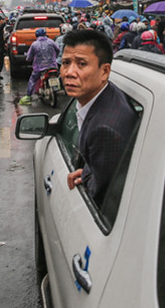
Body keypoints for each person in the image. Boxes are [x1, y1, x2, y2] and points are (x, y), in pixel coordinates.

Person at [63, 30, 138, 206]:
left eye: (81, 64)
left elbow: (101, 192)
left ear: (104, 71)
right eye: (66, 63)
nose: (69, 72)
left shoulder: (105, 130)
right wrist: (89, 170)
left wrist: (88, 175)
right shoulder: (105, 96)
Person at [18, 28, 60, 105]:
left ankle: (28, 96)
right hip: (53, 65)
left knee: (32, 80)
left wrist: (28, 58)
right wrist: (54, 57)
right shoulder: (51, 42)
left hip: (39, 67)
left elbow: (29, 57)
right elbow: (58, 50)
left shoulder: (34, 44)